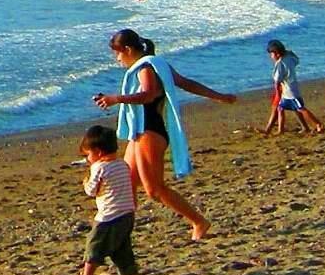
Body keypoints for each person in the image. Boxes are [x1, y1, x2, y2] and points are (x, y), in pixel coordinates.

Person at [91, 29, 232, 241]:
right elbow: (186, 83)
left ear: (128, 49)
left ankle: (198, 221)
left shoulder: (146, 68)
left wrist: (116, 99)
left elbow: (148, 95)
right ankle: (122, 234)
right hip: (140, 131)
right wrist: (218, 96)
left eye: (118, 53)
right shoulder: (157, 64)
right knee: (128, 184)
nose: (117, 59)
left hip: (150, 131)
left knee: (154, 189)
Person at [73, 124, 138, 275]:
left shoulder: (99, 168)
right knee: (121, 247)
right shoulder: (123, 164)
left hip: (109, 216)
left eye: (88, 155)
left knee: (94, 244)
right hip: (127, 213)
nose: (88, 159)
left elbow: (91, 191)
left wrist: (86, 182)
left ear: (99, 152)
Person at [262, 39, 325, 134]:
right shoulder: (289, 58)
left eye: (271, 54)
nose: (270, 57)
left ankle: (317, 124)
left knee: (300, 108)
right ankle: (281, 130)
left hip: (290, 91)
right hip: (289, 89)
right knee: (280, 108)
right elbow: (296, 60)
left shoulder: (280, 64)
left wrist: (278, 94)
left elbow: (277, 81)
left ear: (277, 54)